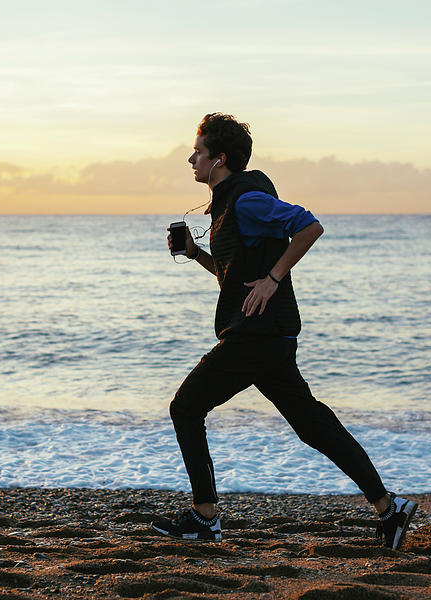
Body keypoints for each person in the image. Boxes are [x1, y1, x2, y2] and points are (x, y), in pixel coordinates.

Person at [151, 113, 417, 549]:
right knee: (312, 426)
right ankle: (390, 507)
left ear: (218, 159)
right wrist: (195, 252)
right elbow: (232, 275)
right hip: (269, 338)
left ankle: (204, 516)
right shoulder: (227, 205)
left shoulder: (247, 201)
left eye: (197, 152)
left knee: (186, 408)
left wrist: (274, 278)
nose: (190, 159)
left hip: (254, 337)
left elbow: (310, 225)